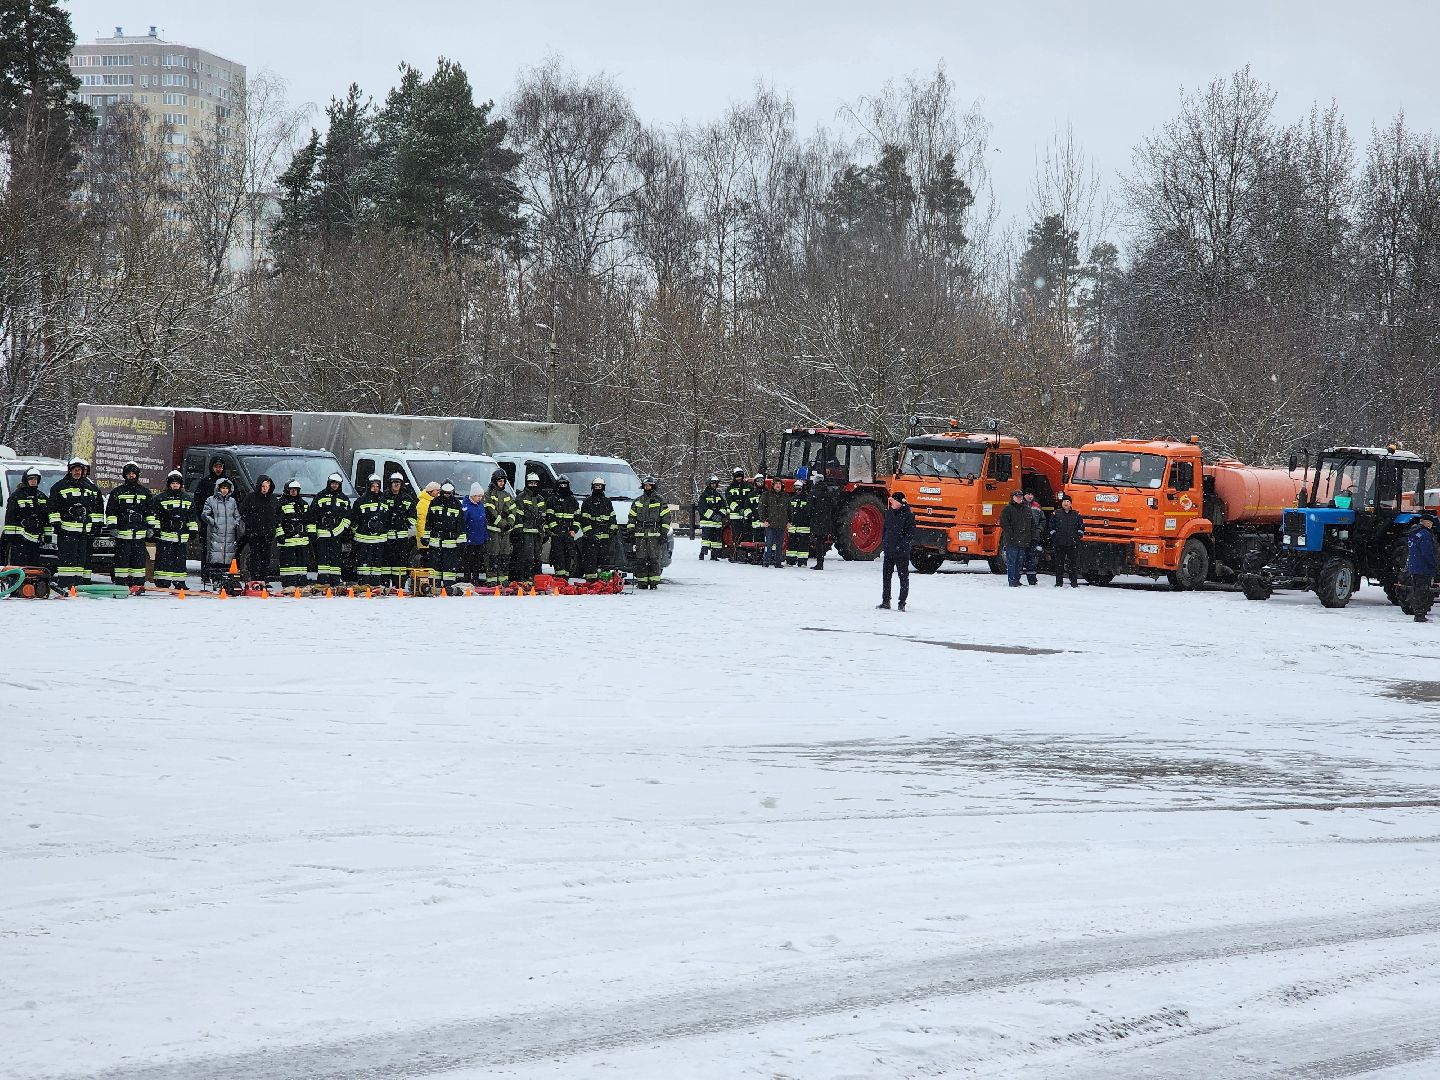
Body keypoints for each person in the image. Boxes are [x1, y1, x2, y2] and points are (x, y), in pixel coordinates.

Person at [48, 457, 104, 589]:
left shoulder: (90, 488)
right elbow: (53, 507)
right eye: (75, 470)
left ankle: (78, 584)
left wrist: (96, 526)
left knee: (81, 559)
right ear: (70, 471)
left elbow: (96, 509)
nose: (77, 472)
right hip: (66, 530)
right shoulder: (59, 487)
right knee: (67, 559)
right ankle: (66, 583)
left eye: (79, 470)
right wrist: (56, 524)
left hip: (84, 531)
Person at [106, 461, 158, 589]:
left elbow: (150, 512)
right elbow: (111, 512)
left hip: (139, 535)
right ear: (125, 475)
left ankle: (138, 584)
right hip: (123, 534)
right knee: (122, 561)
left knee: (138, 562)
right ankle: (121, 584)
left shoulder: (145, 492)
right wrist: (112, 527)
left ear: (137, 475)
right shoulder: (117, 492)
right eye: (129, 473)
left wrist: (151, 527)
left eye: (133, 473)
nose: (131, 475)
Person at [152, 470, 195, 590]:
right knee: (165, 559)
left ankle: (179, 582)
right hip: (166, 534)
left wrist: (193, 530)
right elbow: (156, 515)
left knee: (180, 560)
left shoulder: (187, 498)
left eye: (177, 483)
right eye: (173, 483)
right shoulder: (160, 498)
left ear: (181, 484)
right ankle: (163, 581)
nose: (175, 485)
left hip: (182, 535)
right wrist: (156, 528)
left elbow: (192, 516)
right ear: (169, 484)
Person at [200, 477, 244, 590]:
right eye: (223, 488)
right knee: (215, 555)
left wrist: (235, 523)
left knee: (228, 555)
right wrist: (213, 522)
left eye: (226, 488)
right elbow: (205, 514)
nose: (224, 490)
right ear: (218, 488)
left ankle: (226, 579)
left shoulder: (232, 501)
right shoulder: (211, 500)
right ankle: (215, 578)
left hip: (229, 533)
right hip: (216, 532)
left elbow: (237, 515)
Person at [310, 473, 352, 587]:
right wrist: (312, 532)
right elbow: (312, 515)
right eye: (333, 483)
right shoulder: (320, 496)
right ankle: (323, 580)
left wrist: (341, 529)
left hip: (337, 534)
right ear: (329, 483)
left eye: (337, 484)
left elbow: (348, 517)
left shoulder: (344, 499)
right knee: (322, 559)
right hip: (322, 533)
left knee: (336, 558)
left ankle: (335, 580)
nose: (334, 485)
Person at [630, 475, 671, 589]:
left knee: (654, 559)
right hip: (640, 535)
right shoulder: (638, 501)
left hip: (655, 535)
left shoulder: (660, 500)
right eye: (646, 485)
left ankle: (654, 583)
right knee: (641, 559)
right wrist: (631, 532)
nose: (647, 487)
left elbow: (666, 518)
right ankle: (642, 582)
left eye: (649, 485)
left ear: (653, 486)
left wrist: (663, 533)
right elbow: (631, 518)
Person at [878, 491, 916, 611]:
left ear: (899, 502)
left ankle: (902, 602)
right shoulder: (889, 513)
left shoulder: (908, 515)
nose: (891, 503)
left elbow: (910, 534)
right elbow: (885, 529)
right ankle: (885, 601)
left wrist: (901, 545)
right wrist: (884, 543)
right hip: (889, 550)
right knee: (886, 576)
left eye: (893, 501)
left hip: (901, 552)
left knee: (903, 577)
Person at [3, 467, 48, 567]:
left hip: (36, 540)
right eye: (31, 478)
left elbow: (46, 518)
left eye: (36, 479)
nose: (33, 481)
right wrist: (10, 536)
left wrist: (47, 535)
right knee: (19, 566)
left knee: (34, 568)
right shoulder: (16, 496)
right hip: (19, 540)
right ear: (25, 480)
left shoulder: (42, 497)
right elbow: (10, 517)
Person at [351, 474, 391, 587]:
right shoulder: (361, 501)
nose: (375, 489)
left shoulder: (384, 501)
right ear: (368, 486)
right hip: (364, 540)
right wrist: (360, 530)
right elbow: (354, 520)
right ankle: (363, 583)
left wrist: (383, 529)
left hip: (379, 539)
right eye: (373, 486)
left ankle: (375, 583)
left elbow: (388, 518)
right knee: (364, 563)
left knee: (377, 564)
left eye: (377, 486)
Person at [274, 479, 314, 589]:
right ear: (287, 490)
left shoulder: (303, 504)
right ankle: (289, 583)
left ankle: (301, 582)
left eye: (296, 490)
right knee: (288, 565)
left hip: (302, 540)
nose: (294, 492)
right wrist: (280, 534)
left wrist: (311, 533)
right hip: (287, 540)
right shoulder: (281, 504)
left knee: (301, 564)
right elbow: (277, 521)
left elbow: (309, 520)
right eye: (291, 490)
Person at [425, 481, 465, 590]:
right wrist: (426, 536)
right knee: (435, 565)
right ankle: (435, 584)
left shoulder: (456, 504)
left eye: (449, 493)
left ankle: (449, 585)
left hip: (450, 541)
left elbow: (461, 523)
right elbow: (429, 521)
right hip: (436, 541)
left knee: (449, 566)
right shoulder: (435, 502)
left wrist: (461, 540)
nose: (447, 495)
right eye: (445, 493)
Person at [240, 475, 279, 583]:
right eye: (263, 486)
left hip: (268, 533)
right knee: (255, 556)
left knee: (266, 557)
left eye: (267, 486)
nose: (265, 488)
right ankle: (255, 579)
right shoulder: (251, 497)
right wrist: (250, 523)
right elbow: (243, 511)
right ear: (259, 486)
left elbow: (279, 513)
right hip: (255, 533)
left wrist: (274, 524)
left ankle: (264, 579)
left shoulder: (273, 499)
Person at [579, 476, 618, 583]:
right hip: (591, 538)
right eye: (596, 486)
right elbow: (584, 520)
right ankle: (591, 580)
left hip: (605, 538)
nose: (598, 488)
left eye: (600, 486)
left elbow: (612, 517)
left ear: (603, 487)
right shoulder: (587, 502)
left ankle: (603, 580)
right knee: (591, 559)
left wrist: (613, 530)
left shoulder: (607, 502)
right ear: (593, 487)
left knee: (605, 560)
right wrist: (590, 533)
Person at [483, 469, 518, 586]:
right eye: (499, 481)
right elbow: (491, 512)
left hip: (506, 532)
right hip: (493, 531)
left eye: (503, 481)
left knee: (505, 556)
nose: (502, 483)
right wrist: (503, 524)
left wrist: (510, 523)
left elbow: (513, 510)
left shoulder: (507, 495)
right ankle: (492, 580)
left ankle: (503, 579)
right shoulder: (489, 494)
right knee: (493, 555)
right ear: (494, 481)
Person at [514, 473, 549, 584]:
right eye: (531, 483)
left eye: (535, 483)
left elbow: (544, 516)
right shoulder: (521, 498)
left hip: (538, 533)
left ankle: (537, 579)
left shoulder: (540, 499)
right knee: (527, 557)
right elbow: (518, 517)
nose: (533, 485)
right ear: (527, 483)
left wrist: (545, 531)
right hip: (526, 533)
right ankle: (526, 578)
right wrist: (519, 532)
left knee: (538, 557)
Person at [385, 472, 417, 588]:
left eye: (398, 483)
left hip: (402, 538)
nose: (396, 485)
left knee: (400, 564)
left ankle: (399, 585)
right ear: (390, 484)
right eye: (394, 482)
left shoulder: (407, 498)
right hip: (387, 537)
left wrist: (405, 523)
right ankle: (385, 585)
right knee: (386, 564)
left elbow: (413, 516)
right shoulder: (384, 497)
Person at [193, 455, 229, 557]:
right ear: (211, 467)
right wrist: (204, 516)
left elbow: (234, 501)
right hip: (208, 522)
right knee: (207, 548)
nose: (218, 469)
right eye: (216, 467)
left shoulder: (228, 482)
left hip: (224, 522)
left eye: (220, 467)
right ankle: (207, 566)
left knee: (223, 549)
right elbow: (198, 501)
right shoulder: (205, 482)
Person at [1405, 514, 1438, 623]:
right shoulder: (1425, 535)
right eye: (1431, 523)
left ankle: (1417, 612)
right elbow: (1427, 552)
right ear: (1426, 522)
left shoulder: (1413, 533)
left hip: (1414, 566)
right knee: (1422, 591)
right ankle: (1420, 614)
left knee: (1416, 590)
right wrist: (1433, 565)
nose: (1431, 525)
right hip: (1423, 567)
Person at [546, 474, 580, 579]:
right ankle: (560, 577)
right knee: (558, 555)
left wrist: (574, 530)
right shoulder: (552, 500)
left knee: (568, 555)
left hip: (569, 533)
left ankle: (566, 577)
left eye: (565, 484)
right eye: (561, 484)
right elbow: (550, 518)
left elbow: (577, 517)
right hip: (557, 534)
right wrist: (557, 530)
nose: (563, 486)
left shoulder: (573, 501)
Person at [1048, 494, 1085, 587]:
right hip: (1059, 543)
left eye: (1068, 501)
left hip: (1072, 544)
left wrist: (1078, 536)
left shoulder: (1076, 514)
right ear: (1062, 503)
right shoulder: (1056, 513)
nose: (1066, 503)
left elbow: (1081, 527)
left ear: (1071, 503)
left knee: (1073, 564)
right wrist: (1055, 536)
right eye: (1064, 501)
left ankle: (1074, 583)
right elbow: (1051, 526)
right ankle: (1059, 583)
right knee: (1059, 564)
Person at [999, 489, 1032, 587]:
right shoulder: (1007, 509)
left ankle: (1017, 579)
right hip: (1011, 541)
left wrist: (1030, 535)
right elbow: (1004, 523)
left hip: (1023, 540)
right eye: (1017, 496)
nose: (1019, 498)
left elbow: (1031, 524)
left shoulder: (1026, 509)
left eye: (1020, 496)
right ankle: (1012, 580)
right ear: (1013, 497)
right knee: (1012, 562)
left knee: (1020, 562)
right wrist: (1012, 534)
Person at [461, 482, 489, 585]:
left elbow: (483, 522)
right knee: (468, 561)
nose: (480, 498)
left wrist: (485, 536)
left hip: (479, 538)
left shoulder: (481, 505)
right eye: (478, 496)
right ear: (473, 495)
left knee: (477, 561)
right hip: (469, 539)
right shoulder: (466, 506)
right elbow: (463, 523)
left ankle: (475, 579)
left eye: (481, 496)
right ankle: (467, 579)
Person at [758, 476, 789, 568]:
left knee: (780, 545)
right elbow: (761, 509)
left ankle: (778, 562)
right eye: (776, 484)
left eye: (779, 484)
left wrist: (789, 521)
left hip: (781, 524)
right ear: (773, 485)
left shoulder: (785, 496)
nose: (778, 485)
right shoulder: (766, 495)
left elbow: (789, 510)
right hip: (770, 524)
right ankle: (766, 561)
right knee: (769, 544)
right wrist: (764, 520)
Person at [809, 472, 836, 570]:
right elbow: (833, 506)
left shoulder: (814, 493)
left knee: (818, 542)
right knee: (821, 541)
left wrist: (810, 516)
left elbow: (810, 508)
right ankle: (820, 562)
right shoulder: (829, 492)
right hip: (826, 521)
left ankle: (819, 564)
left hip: (817, 521)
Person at [697, 476, 727, 561]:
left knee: (716, 541)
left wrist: (720, 515)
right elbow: (702, 508)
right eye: (712, 484)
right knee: (706, 540)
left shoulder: (718, 495)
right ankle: (702, 554)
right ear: (709, 484)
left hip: (717, 523)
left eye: (715, 484)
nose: (714, 485)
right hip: (707, 522)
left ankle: (714, 555)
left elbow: (723, 507)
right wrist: (712, 516)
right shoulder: (704, 495)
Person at [724, 467, 750, 562]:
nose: (739, 478)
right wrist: (738, 509)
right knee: (736, 536)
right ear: (734, 477)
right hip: (735, 516)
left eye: (740, 476)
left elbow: (750, 499)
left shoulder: (748, 487)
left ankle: (745, 554)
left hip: (746, 515)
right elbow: (730, 502)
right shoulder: (730, 489)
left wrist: (746, 509)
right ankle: (735, 554)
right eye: (737, 476)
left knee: (747, 535)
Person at [786, 474, 811, 566]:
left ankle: (802, 562)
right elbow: (788, 511)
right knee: (791, 544)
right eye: (796, 489)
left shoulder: (807, 500)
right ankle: (790, 560)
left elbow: (810, 512)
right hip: (793, 526)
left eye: (799, 489)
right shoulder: (791, 499)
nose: (797, 491)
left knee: (803, 545)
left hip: (804, 526)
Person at [415, 480, 441, 563]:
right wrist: (423, 537)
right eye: (437, 491)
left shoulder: (433, 502)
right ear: (431, 491)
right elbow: (421, 522)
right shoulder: (423, 503)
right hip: (425, 540)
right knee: (426, 561)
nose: (439, 493)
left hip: (432, 538)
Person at [1024, 491, 1046, 587]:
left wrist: (1039, 529)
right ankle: (1016, 579)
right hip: (1022, 536)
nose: (1030, 496)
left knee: (1032, 558)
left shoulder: (1037, 506)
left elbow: (1043, 520)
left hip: (1034, 536)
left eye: (1031, 494)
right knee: (1020, 558)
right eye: (1028, 494)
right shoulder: (1020, 505)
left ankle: (1032, 579)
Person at [749, 473, 767, 556]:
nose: (760, 483)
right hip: (755, 522)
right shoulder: (751, 495)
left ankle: (766, 555)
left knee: (767, 539)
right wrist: (751, 515)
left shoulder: (768, 494)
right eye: (758, 482)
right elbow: (747, 507)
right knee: (756, 539)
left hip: (766, 522)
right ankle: (757, 555)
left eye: (761, 481)